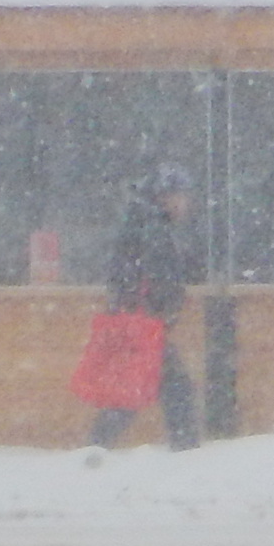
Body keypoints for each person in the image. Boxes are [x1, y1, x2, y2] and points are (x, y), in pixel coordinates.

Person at [91, 162, 202, 451]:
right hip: (144, 322)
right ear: (165, 197)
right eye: (181, 196)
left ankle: (98, 445)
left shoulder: (143, 222)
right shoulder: (154, 228)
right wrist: (160, 308)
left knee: (136, 388)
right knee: (173, 387)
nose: (185, 203)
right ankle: (185, 448)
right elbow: (157, 273)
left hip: (138, 320)